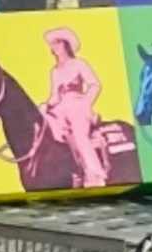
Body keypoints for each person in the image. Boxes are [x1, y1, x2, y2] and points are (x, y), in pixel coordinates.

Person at [40, 25, 112, 186]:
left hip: (78, 105)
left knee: (80, 136)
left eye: (58, 43)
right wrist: (46, 105)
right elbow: (54, 96)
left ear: (66, 45)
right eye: (53, 44)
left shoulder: (79, 64)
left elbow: (95, 84)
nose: (54, 47)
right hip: (61, 107)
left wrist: (85, 103)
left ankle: (95, 174)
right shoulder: (55, 71)